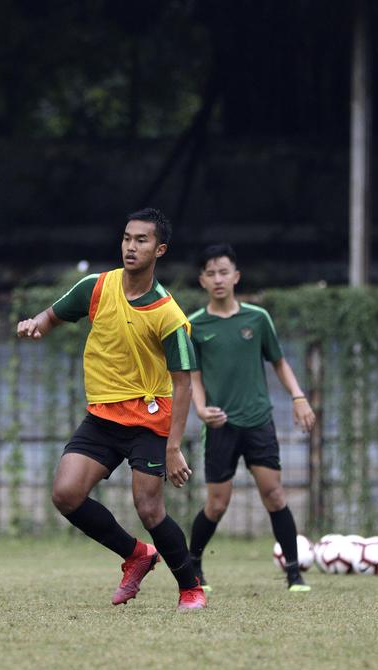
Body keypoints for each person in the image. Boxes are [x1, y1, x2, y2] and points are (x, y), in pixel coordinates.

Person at [16, 208, 206, 610]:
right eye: (126, 238)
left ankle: (190, 588)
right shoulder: (97, 287)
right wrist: (34, 324)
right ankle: (136, 555)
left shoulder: (168, 314)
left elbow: (184, 382)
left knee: (150, 508)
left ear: (160, 249)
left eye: (141, 240)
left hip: (149, 419)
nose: (131, 247)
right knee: (66, 493)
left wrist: (174, 447)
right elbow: (51, 316)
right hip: (103, 416)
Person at [185, 244, 316, 592]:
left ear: (236, 276)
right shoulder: (194, 326)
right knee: (217, 504)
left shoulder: (257, 318)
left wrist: (299, 397)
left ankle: (294, 574)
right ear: (202, 280)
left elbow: (279, 361)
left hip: (258, 420)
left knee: (274, 494)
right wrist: (199, 409)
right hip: (220, 426)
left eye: (224, 272)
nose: (218, 279)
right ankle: (193, 565)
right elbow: (192, 377)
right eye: (210, 273)